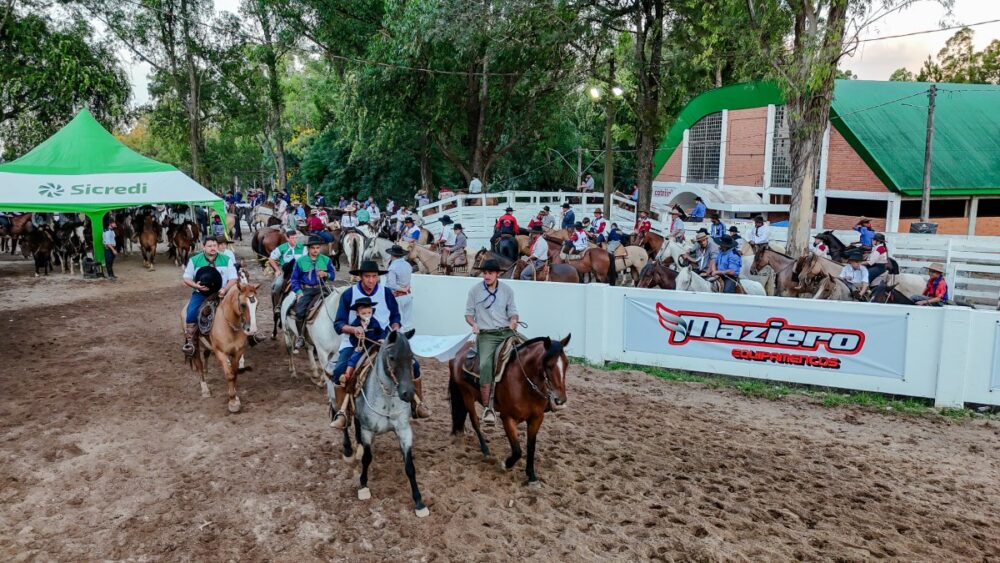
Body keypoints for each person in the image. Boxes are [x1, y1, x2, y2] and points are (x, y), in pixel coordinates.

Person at [329, 260, 431, 424]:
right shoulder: (349, 294)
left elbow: (395, 317)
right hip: (355, 343)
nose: (371, 280)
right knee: (340, 370)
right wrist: (353, 329)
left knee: (414, 365)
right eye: (367, 276)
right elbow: (339, 324)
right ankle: (342, 413)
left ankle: (417, 404)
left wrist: (395, 330)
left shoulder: (386, 293)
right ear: (360, 277)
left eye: (374, 276)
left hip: (384, 340)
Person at [465, 258, 520, 425]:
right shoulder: (474, 291)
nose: (487, 276)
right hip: (487, 335)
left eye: (490, 273)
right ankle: (488, 407)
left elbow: (513, 311)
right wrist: (474, 324)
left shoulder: (507, 290)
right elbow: (468, 314)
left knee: (530, 350)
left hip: (506, 331)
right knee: (484, 365)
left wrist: (514, 320)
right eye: (485, 273)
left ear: (497, 274)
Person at [181, 237, 238, 356]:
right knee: (191, 313)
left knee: (241, 306)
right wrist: (196, 286)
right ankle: (191, 342)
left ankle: (251, 333)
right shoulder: (194, 260)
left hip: (223, 292)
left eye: (215, 245)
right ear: (204, 247)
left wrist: (225, 289)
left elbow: (233, 278)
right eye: (210, 246)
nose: (213, 248)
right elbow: (186, 278)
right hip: (201, 293)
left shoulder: (226, 259)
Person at [291, 236, 337, 351]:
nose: (315, 250)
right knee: (300, 312)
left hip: (323, 288)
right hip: (307, 290)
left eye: (317, 248)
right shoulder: (300, 261)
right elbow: (294, 279)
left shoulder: (326, 260)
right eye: (313, 248)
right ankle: (300, 337)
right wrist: (299, 291)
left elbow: (333, 276)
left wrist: (326, 274)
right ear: (308, 249)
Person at [336, 296, 387, 388]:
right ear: (358, 314)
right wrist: (358, 343)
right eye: (364, 313)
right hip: (362, 347)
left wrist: (382, 338)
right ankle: (347, 375)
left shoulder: (374, 322)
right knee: (354, 358)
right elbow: (352, 338)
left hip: (374, 345)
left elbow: (381, 331)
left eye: (369, 313)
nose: (367, 315)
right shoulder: (356, 324)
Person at [385, 245, 414, 330]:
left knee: (398, 321)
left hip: (397, 297)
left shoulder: (393, 267)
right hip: (408, 295)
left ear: (392, 255)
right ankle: (408, 336)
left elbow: (391, 285)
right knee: (407, 322)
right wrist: (405, 289)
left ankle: (399, 337)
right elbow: (408, 279)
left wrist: (402, 289)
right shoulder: (408, 265)